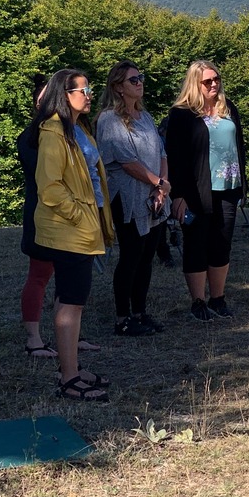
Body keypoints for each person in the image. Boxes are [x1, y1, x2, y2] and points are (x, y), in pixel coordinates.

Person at [31, 69, 114, 401]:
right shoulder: (53, 131)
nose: (89, 94)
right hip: (68, 230)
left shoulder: (76, 129)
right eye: (84, 89)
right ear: (65, 94)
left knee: (72, 301)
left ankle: (72, 369)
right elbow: (50, 187)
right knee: (72, 302)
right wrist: (81, 216)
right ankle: (69, 379)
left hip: (80, 227)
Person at [165, 61, 247, 321]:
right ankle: (198, 301)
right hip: (196, 190)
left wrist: (243, 182)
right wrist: (177, 194)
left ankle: (218, 298)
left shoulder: (228, 108)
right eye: (207, 81)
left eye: (216, 79)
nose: (214, 84)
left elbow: (239, 146)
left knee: (221, 244)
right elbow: (174, 157)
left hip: (229, 187)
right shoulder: (181, 114)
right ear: (194, 84)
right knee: (196, 244)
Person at [95, 61, 169, 337]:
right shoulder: (109, 120)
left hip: (153, 197)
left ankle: (140, 312)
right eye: (133, 80)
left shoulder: (145, 117)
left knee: (147, 256)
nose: (140, 83)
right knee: (131, 256)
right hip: (127, 198)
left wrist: (161, 188)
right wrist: (158, 183)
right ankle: (122, 318)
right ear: (117, 87)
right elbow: (127, 162)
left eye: (141, 78)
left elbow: (162, 152)